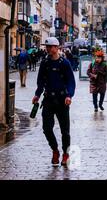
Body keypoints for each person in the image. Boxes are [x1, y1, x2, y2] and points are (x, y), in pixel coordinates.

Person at [32, 37, 76, 167]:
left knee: (65, 131)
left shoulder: (64, 63)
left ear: (57, 48)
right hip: (48, 100)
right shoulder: (45, 63)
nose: (49, 49)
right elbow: (41, 81)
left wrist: (69, 95)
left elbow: (70, 82)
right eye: (47, 47)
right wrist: (37, 94)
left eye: (51, 47)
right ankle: (55, 150)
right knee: (46, 128)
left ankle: (65, 154)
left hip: (62, 100)